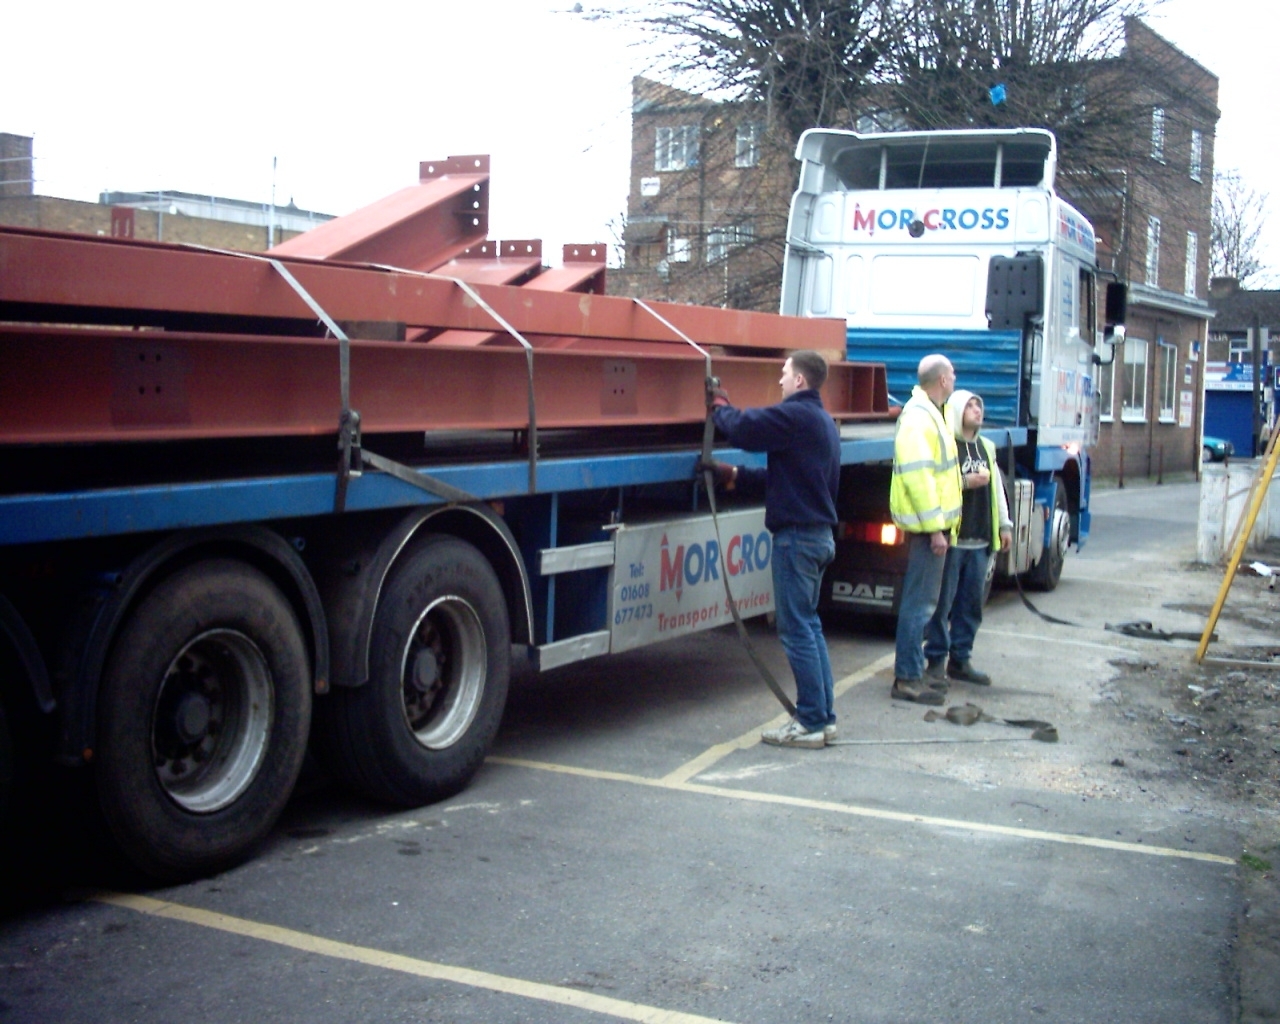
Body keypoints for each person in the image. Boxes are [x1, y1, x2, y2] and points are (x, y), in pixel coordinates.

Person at [704, 350, 841, 749]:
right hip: (816, 537)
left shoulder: (796, 415)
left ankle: (811, 721)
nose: (780, 381)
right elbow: (788, 478)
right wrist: (734, 476)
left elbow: (745, 430)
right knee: (809, 627)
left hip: (796, 540)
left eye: (784, 374)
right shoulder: (823, 423)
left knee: (796, 630)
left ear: (800, 380)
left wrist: (719, 406)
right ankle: (823, 718)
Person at [923, 390, 1013, 686]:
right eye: (970, 405)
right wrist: (966, 481)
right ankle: (936, 659)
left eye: (980, 405)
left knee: (971, 605)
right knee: (942, 604)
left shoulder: (986, 447)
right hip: (955, 540)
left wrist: (1005, 524)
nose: (977, 410)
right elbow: (939, 485)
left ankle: (961, 659)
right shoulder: (949, 446)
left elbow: (997, 488)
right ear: (958, 410)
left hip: (980, 540)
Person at [889, 354, 963, 706]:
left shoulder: (931, 413)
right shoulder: (920, 418)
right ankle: (907, 677)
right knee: (919, 605)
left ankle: (913, 673)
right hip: (927, 529)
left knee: (924, 604)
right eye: (952, 373)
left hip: (932, 527)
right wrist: (936, 529)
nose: (955, 377)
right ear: (942, 381)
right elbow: (921, 479)